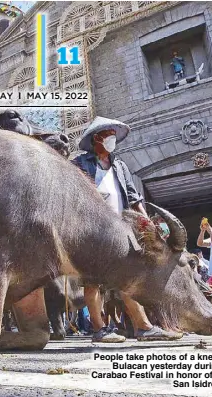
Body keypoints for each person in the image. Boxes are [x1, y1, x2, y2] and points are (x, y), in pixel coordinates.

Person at [72, 116, 180, 342]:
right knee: (92, 282)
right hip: (93, 231)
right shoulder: (81, 164)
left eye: (113, 134)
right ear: (96, 139)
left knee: (130, 279)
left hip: (122, 229)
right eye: (107, 134)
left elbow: (133, 197)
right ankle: (99, 329)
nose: (112, 138)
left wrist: (146, 222)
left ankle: (143, 327)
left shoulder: (119, 166)